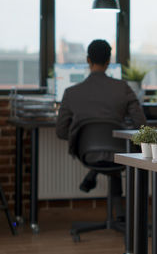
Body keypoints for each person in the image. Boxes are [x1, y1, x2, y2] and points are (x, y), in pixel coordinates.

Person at [56, 39, 146, 216]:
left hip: (87, 152)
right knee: (118, 152)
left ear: (88, 60)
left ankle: (93, 174)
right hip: (120, 152)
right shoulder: (123, 88)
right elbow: (141, 125)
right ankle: (122, 213)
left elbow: (60, 131)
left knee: (107, 152)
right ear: (109, 61)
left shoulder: (71, 93)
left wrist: (81, 136)